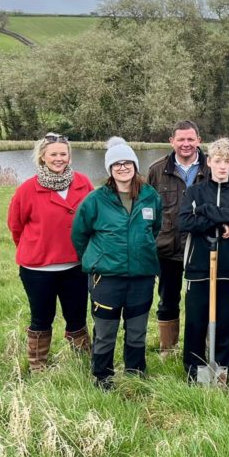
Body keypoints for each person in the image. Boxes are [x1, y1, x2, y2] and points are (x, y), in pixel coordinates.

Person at [71, 138, 162, 388]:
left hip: (141, 276)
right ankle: (103, 377)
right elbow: (79, 234)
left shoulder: (150, 196)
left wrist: (139, 251)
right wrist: (95, 259)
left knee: (137, 330)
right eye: (116, 164)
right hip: (106, 278)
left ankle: (135, 374)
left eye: (127, 162)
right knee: (106, 331)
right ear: (110, 169)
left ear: (135, 165)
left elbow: (155, 228)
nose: (123, 168)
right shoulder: (96, 200)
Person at [8, 133, 95, 371]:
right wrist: (35, 247)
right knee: (41, 318)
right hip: (38, 269)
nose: (59, 158)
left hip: (75, 266)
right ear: (43, 157)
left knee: (77, 316)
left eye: (63, 154)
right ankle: (38, 366)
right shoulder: (28, 189)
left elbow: (93, 218)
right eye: (53, 154)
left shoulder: (83, 182)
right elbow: (16, 226)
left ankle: (83, 361)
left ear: (69, 156)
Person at [176, 138, 229, 382]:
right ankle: (193, 370)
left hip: (227, 268)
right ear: (209, 162)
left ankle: (222, 369)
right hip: (198, 267)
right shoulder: (195, 191)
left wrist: (205, 210)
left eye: (227, 161)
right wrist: (219, 221)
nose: (222, 166)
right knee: (196, 321)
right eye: (217, 161)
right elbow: (184, 221)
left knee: (225, 322)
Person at [147, 120, 210, 356]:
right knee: (167, 300)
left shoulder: (212, 169)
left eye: (190, 139)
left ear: (199, 141)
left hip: (201, 248)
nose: (186, 144)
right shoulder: (156, 170)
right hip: (167, 249)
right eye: (181, 139)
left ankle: (199, 347)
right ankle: (168, 349)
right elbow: (148, 210)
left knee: (200, 301)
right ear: (171, 141)